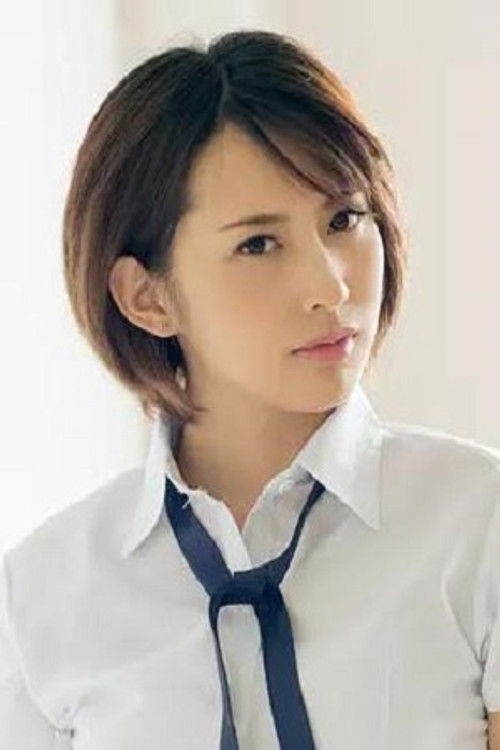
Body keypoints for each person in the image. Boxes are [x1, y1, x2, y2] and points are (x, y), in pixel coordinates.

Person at [1, 28, 499, 749]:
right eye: (258, 244)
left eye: (344, 219)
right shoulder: (42, 598)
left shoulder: (476, 523)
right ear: (146, 297)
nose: (330, 285)